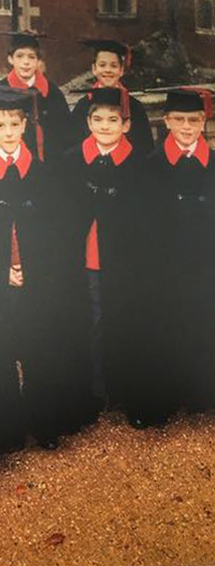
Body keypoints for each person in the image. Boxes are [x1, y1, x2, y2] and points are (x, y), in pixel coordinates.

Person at [0, 84, 88, 451]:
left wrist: (33, 268)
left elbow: (56, 231)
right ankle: (7, 430)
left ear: (24, 127)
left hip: (36, 277)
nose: (7, 132)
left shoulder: (42, 171)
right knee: (0, 351)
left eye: (14, 125)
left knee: (40, 349)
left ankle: (44, 421)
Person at [61, 87, 152, 426]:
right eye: (97, 119)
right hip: (85, 257)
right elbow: (65, 214)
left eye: (113, 120)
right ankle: (93, 392)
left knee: (124, 321)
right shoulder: (72, 160)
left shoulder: (139, 163)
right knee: (91, 323)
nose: (104, 126)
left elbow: (145, 219)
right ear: (87, 122)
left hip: (124, 259)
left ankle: (125, 391)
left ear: (126, 125)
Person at [142, 87, 215, 424]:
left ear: (205, 121)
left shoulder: (212, 164)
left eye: (195, 120)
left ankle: (201, 394)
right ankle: (162, 398)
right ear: (167, 121)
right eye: (180, 119)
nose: (187, 127)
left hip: (203, 262)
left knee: (202, 324)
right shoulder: (151, 166)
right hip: (164, 264)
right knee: (164, 327)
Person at [0, 31, 71, 162]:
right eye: (19, 56)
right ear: (10, 59)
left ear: (39, 61)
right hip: (15, 165)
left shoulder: (52, 92)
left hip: (50, 164)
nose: (26, 62)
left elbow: (65, 132)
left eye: (31, 57)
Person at [70, 40, 154, 157]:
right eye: (102, 65)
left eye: (113, 65)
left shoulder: (134, 107)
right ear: (94, 69)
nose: (108, 70)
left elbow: (145, 149)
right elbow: (73, 146)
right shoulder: (83, 106)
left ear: (121, 70)